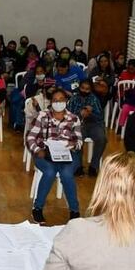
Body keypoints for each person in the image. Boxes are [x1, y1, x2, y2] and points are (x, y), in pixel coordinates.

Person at [26, 88, 83, 223]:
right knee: (50, 172)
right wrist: (37, 150)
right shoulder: (42, 115)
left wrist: (73, 145)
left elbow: (80, 141)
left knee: (67, 174)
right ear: (51, 102)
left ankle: (74, 210)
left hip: (67, 154)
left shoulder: (74, 118)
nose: (58, 103)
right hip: (45, 153)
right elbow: (30, 137)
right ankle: (37, 208)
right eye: (55, 100)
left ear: (66, 101)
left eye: (61, 100)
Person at [67, 79, 106, 176]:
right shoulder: (74, 98)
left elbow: (100, 117)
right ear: (79, 88)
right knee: (76, 138)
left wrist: (91, 113)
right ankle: (78, 166)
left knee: (102, 139)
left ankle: (93, 166)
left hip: (94, 124)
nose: (84, 91)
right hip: (79, 124)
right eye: (82, 88)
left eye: (87, 89)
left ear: (91, 89)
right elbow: (68, 116)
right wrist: (80, 114)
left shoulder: (94, 99)